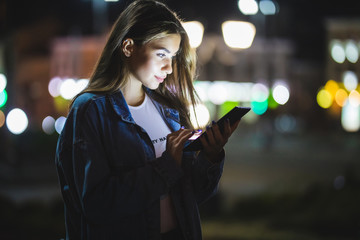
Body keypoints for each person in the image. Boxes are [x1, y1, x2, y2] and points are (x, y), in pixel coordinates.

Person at [55, 0, 240, 239]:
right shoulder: (91, 110)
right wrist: (166, 167)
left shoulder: (168, 110)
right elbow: (96, 203)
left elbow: (190, 196)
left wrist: (211, 156)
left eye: (173, 56)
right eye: (161, 54)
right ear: (128, 47)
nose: (170, 67)